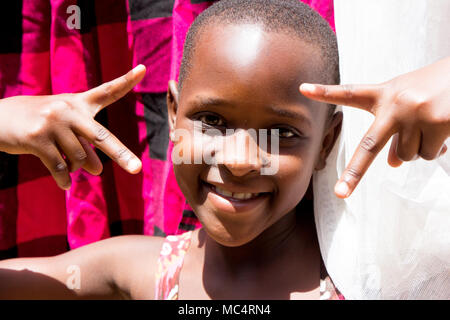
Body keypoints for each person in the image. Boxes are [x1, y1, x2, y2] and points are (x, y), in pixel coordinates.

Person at [0, 0, 448, 299]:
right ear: (173, 114)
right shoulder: (140, 270)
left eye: (282, 131)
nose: (237, 160)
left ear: (327, 141)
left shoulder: (378, 272)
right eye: (212, 121)